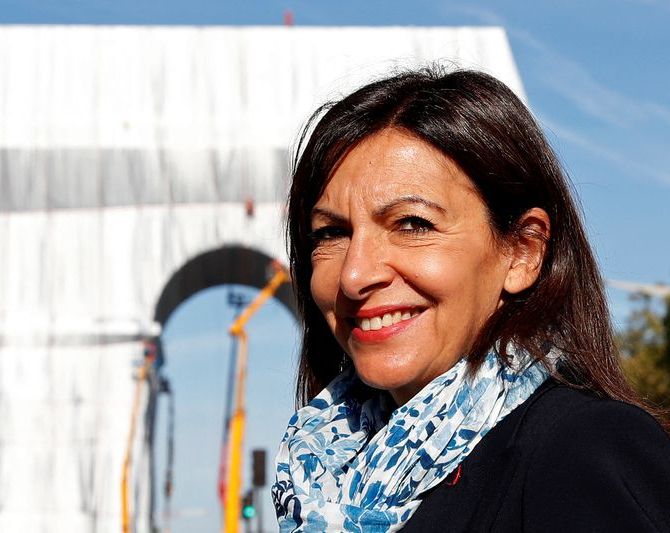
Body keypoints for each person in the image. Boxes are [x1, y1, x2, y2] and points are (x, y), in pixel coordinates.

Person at [272, 67, 670, 532]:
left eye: (412, 224)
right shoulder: (320, 476)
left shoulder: (580, 452)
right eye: (331, 233)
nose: (355, 274)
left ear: (522, 252)